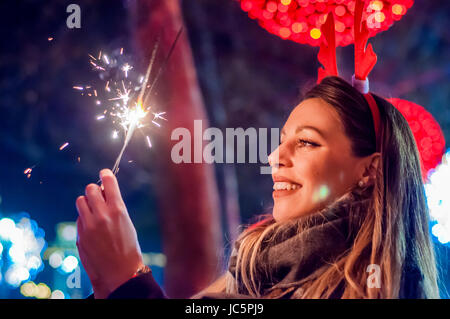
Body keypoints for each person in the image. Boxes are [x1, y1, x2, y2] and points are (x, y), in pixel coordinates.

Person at [75, 76, 440, 299]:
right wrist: (109, 284)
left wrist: (131, 283)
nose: (275, 157)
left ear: (370, 170)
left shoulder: (375, 288)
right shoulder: (255, 274)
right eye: (282, 141)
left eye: (307, 142)